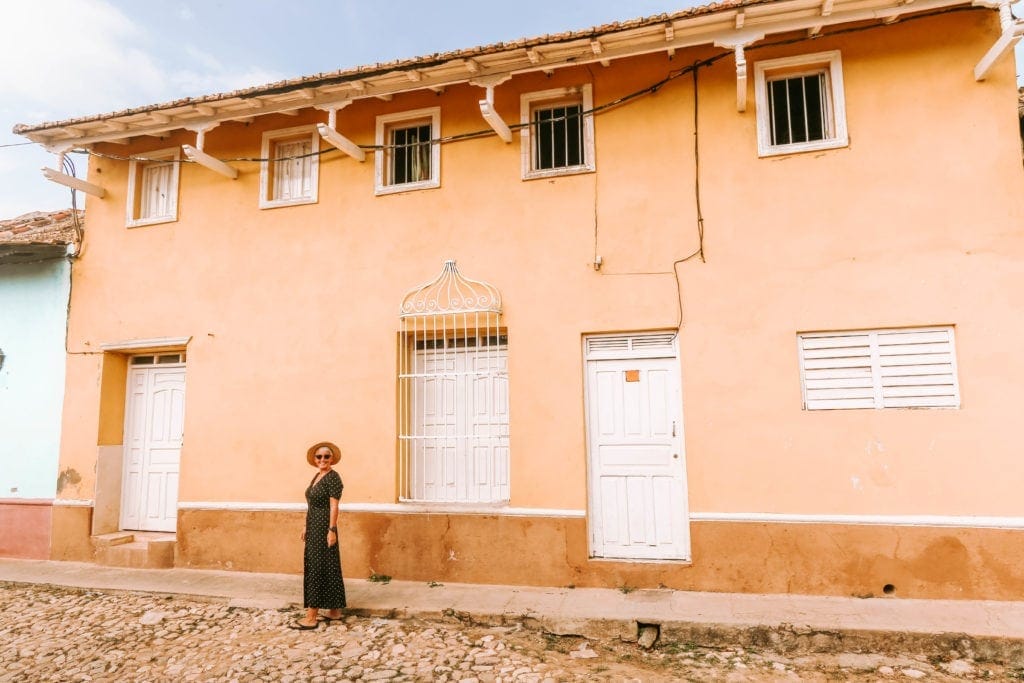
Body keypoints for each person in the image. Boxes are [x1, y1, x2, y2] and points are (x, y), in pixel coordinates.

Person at [290, 440, 347, 630]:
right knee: (328, 564)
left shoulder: (333, 478)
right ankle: (334, 611)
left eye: (326, 456)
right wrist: (306, 525)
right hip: (313, 526)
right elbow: (312, 505)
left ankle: (311, 617)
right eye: (319, 456)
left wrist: (331, 530)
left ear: (332, 459)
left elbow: (334, 506)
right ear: (314, 460)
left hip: (324, 527)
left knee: (317, 567)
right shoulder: (317, 476)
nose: (322, 459)